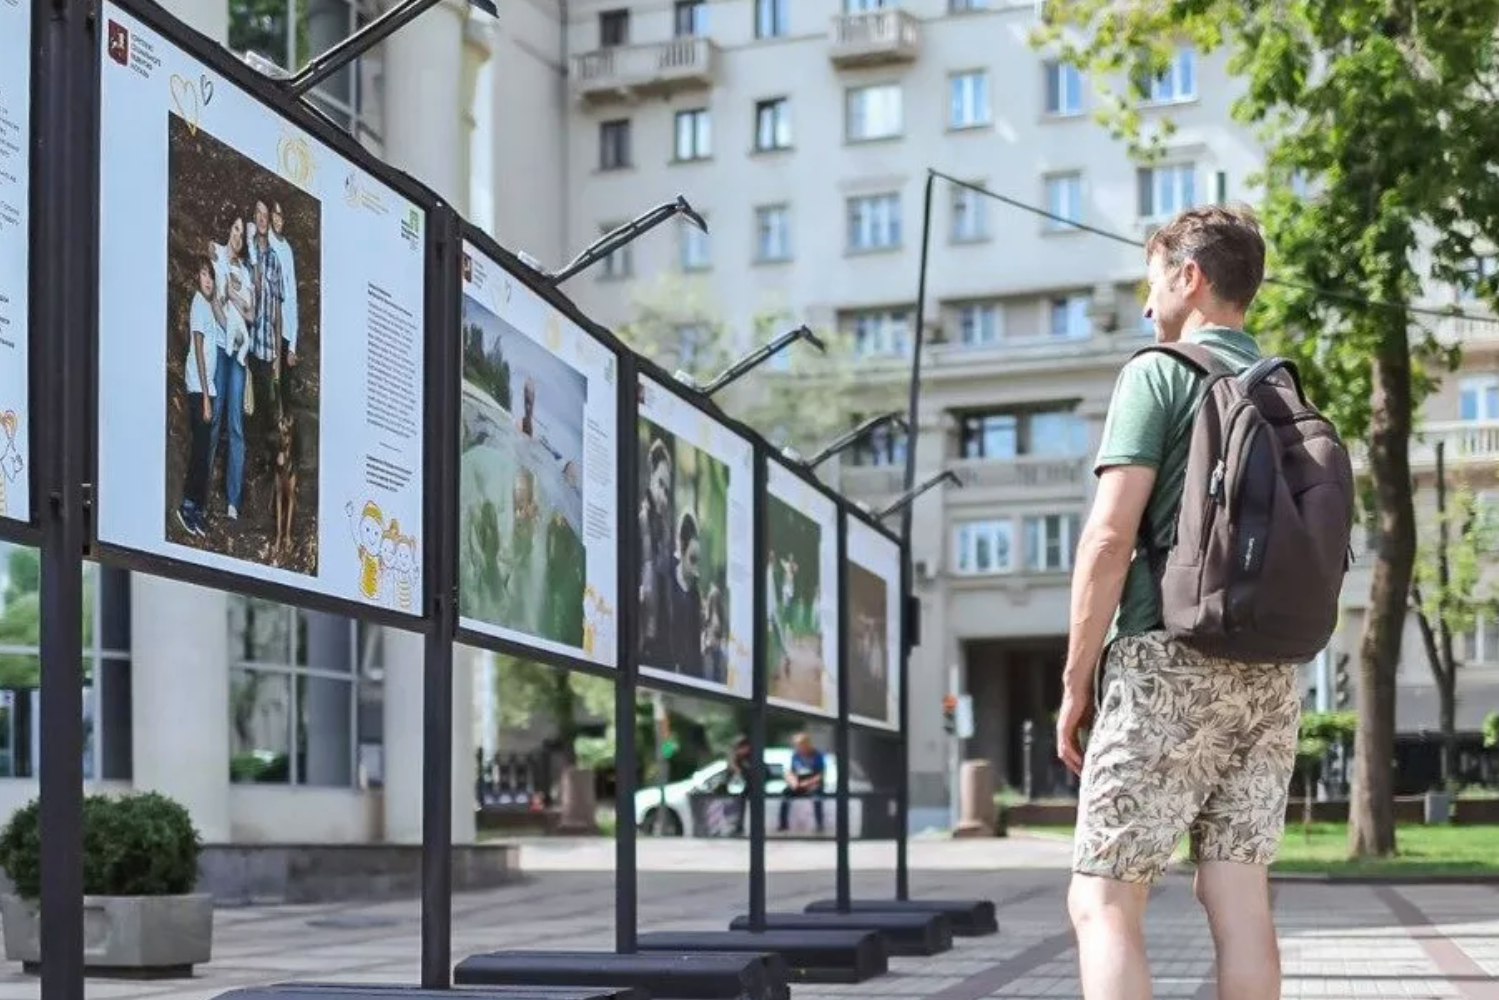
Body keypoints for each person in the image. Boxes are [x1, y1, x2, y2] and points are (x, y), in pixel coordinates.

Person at [1057, 204, 1297, 1000]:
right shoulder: (1281, 389)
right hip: (1270, 675)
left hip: (1167, 662)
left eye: (1152, 280)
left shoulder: (1159, 372)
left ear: (1188, 277)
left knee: (1103, 897)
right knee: (1236, 899)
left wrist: (1075, 682)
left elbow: (1107, 538)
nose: (1145, 303)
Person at [176, 258, 225, 537]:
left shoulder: (208, 304)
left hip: (209, 390)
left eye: (211, 277)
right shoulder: (197, 304)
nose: (207, 280)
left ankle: (196, 508)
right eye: (204, 275)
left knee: (205, 450)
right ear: (198, 276)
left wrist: (219, 296)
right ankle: (187, 506)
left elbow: (224, 325)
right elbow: (197, 350)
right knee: (199, 451)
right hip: (199, 388)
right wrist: (206, 396)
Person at [778, 732, 825, 834]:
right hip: (798, 783)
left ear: (806, 744)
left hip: (813, 783)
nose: (798, 747)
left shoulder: (817, 755)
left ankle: (819, 825)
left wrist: (807, 783)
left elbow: (819, 775)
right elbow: (791, 772)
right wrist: (793, 782)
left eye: (800, 744)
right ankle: (783, 825)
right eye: (796, 745)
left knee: (817, 797)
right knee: (785, 794)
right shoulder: (795, 756)